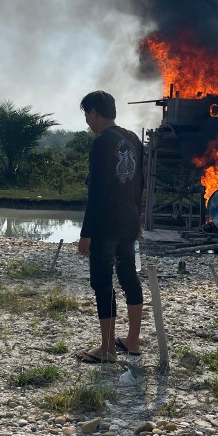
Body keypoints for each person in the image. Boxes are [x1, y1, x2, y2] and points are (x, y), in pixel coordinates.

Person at [76, 90, 145, 364]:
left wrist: (86, 233)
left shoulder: (103, 143)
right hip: (129, 222)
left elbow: (98, 192)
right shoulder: (132, 139)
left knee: (103, 284)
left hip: (106, 225)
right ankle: (133, 340)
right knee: (129, 278)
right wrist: (138, 221)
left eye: (86, 115)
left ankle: (107, 348)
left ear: (94, 112)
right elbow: (138, 183)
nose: (87, 122)